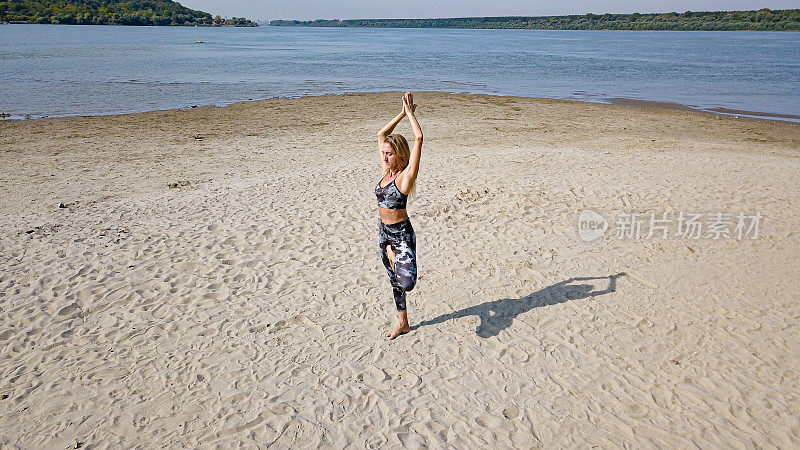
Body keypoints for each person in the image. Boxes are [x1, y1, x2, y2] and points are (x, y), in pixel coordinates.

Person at [376, 92, 423, 339]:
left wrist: (412, 117)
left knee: (407, 283)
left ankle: (397, 258)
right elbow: (381, 135)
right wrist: (401, 114)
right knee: (395, 283)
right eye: (383, 153)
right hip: (384, 233)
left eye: (389, 154)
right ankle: (403, 323)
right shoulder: (385, 172)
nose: (384, 157)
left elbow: (418, 137)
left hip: (402, 235)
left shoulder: (404, 178)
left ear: (400, 155)